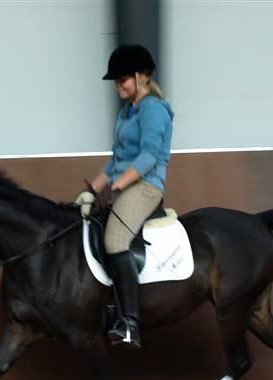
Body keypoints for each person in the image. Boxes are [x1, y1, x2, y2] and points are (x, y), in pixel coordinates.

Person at [75, 44, 174, 350]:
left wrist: (115, 187)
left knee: (115, 240)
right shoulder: (126, 112)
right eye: (116, 80)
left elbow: (148, 158)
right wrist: (90, 190)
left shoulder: (154, 109)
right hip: (124, 183)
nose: (118, 85)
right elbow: (115, 160)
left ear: (142, 77)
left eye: (123, 79)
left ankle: (130, 323)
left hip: (145, 186)